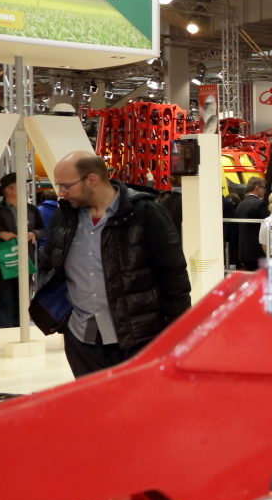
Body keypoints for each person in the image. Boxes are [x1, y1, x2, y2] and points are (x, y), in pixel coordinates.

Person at [33, 152, 191, 378]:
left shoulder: (145, 213)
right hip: (81, 338)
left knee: (136, 400)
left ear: (91, 180)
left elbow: (174, 277)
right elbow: (50, 267)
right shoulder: (64, 217)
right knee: (93, 400)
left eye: (66, 186)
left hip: (138, 338)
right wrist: (63, 320)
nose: (61, 193)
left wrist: (177, 333)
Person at [0, 172, 45, 329]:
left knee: (22, 298)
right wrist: (0, 234)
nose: (26, 189)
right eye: (21, 185)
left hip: (24, 261)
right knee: (2, 299)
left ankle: (20, 329)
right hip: (1, 263)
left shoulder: (32, 210)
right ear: (8, 190)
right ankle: (2, 332)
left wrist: (34, 234)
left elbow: (44, 230)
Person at [233, 176, 269, 269]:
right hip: (258, 252)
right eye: (264, 187)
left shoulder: (240, 204)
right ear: (257, 187)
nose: (264, 191)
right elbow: (266, 227)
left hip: (243, 251)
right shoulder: (260, 205)